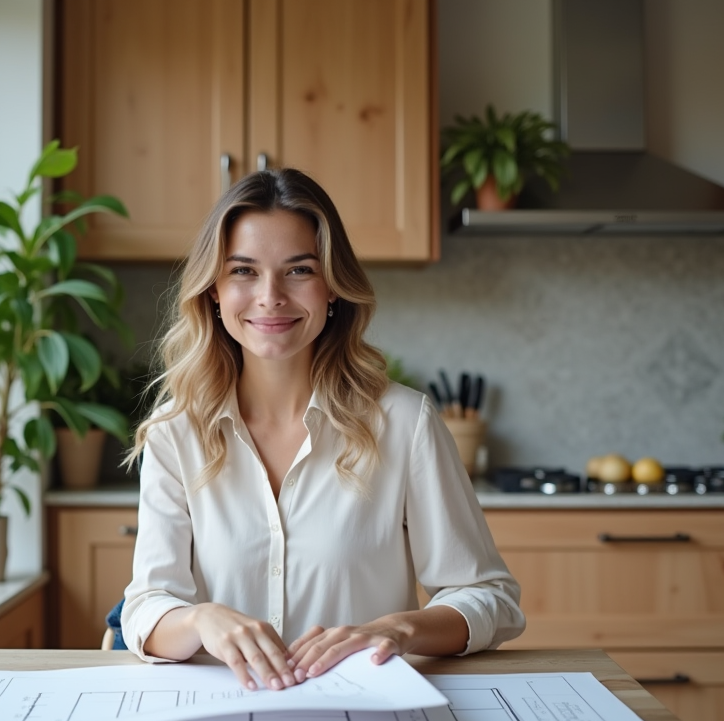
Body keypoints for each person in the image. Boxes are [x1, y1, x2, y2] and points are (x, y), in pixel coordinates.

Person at [120, 168, 524, 692]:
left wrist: (400, 628)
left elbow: (489, 596)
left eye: (298, 270)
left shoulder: (405, 423)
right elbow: (146, 608)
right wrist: (201, 619)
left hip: (368, 719)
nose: (270, 296)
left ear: (333, 286)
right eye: (243, 270)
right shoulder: (177, 432)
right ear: (214, 291)